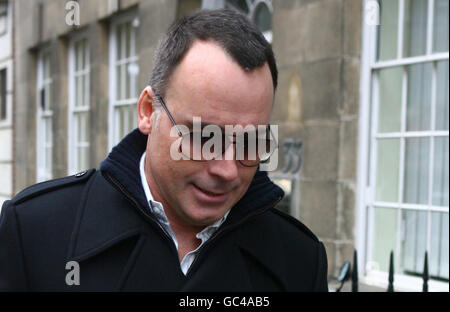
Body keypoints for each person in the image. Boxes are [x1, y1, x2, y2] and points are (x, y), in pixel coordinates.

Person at [0, 9, 328, 291]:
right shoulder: (33, 232)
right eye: (203, 136)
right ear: (147, 110)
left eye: (249, 141)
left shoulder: (299, 258)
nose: (227, 170)